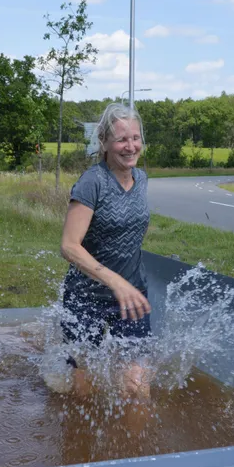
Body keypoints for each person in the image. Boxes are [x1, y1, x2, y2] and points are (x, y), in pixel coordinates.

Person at [58, 103, 154, 399]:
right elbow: (69, 246)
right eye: (122, 139)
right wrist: (115, 282)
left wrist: (127, 285)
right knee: (82, 392)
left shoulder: (142, 179)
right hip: (86, 297)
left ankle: (143, 445)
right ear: (104, 143)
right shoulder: (92, 182)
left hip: (132, 296)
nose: (130, 146)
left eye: (135, 138)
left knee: (137, 386)